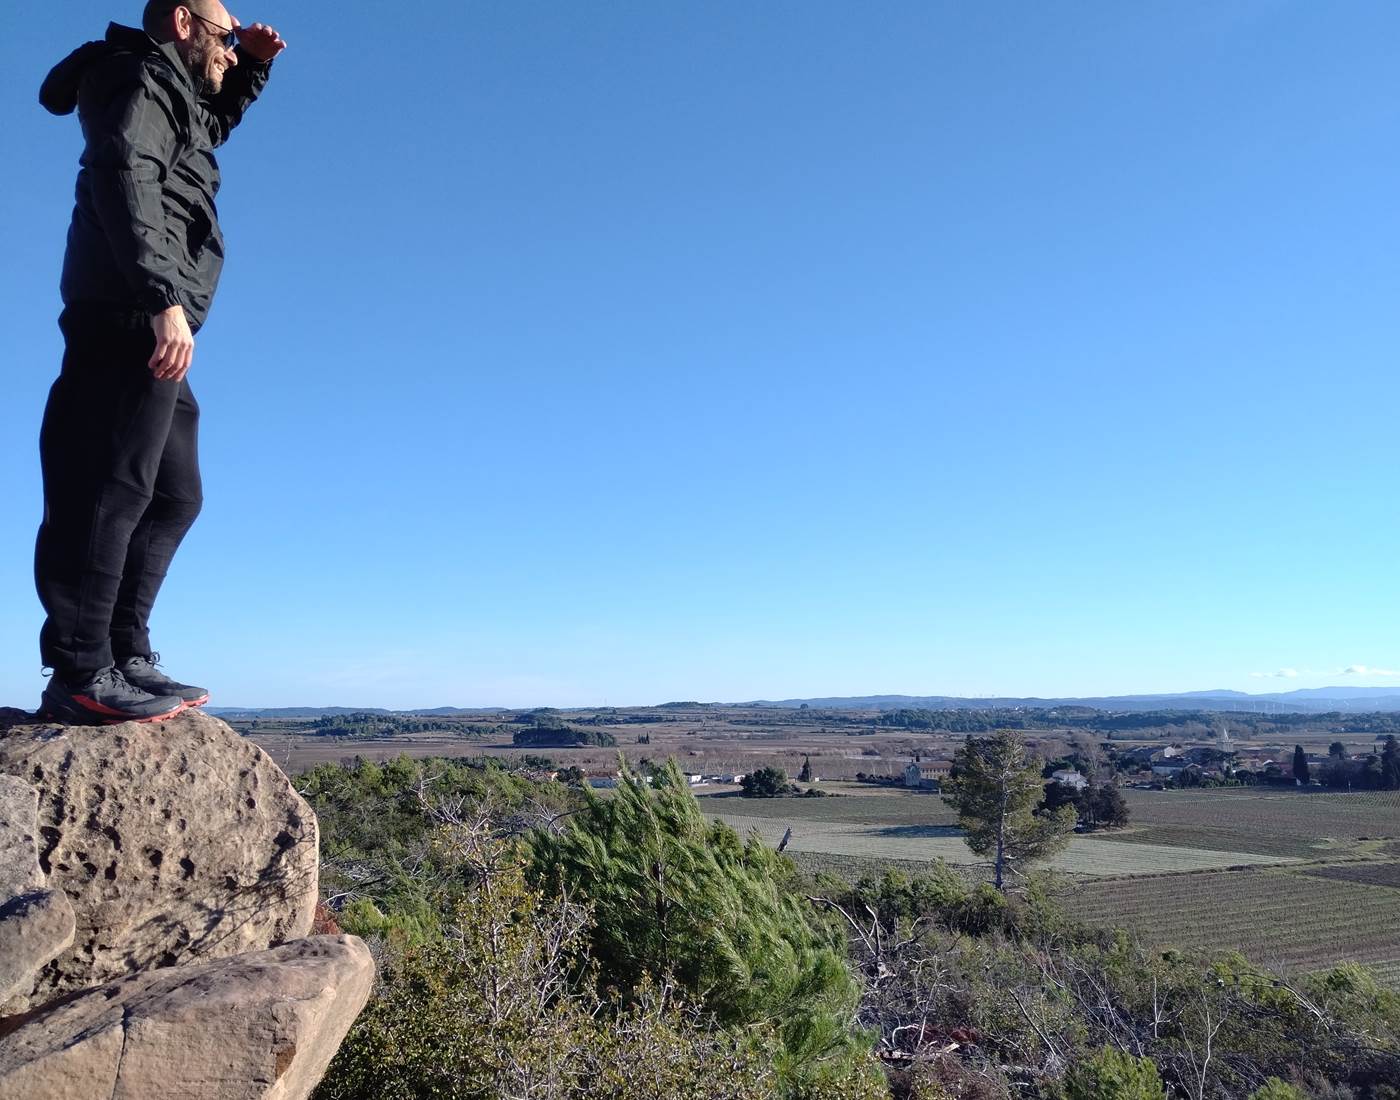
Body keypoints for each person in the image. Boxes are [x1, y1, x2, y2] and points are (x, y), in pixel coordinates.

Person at [34, 3, 286, 724]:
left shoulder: (170, 91)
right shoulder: (138, 78)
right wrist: (161, 297)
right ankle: (81, 670)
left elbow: (206, 129)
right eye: (225, 35)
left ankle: (124, 651)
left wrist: (253, 66)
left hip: (147, 316)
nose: (230, 49)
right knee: (110, 487)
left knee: (175, 494)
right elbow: (126, 177)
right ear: (183, 21)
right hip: (129, 311)